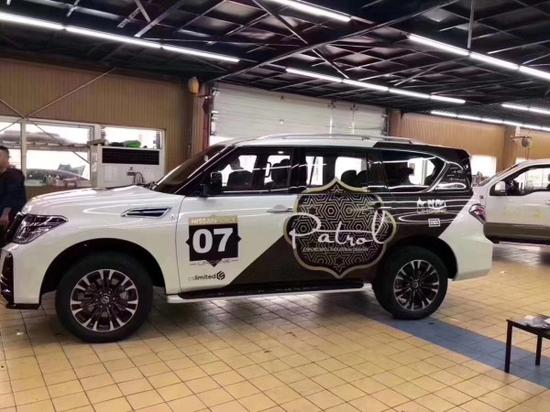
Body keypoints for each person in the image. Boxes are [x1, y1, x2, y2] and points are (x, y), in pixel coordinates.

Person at [0, 146, 26, 233]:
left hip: (10, 217)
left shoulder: (14, 175)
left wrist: (5, 214)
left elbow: (11, 196)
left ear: (6, 158)